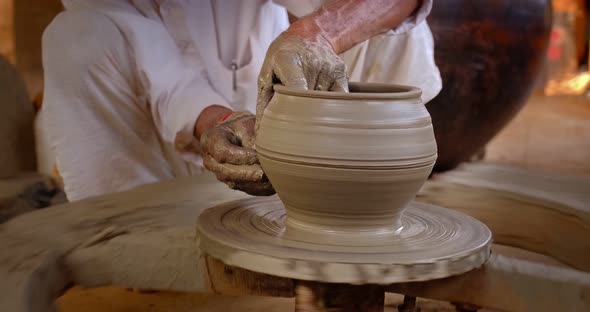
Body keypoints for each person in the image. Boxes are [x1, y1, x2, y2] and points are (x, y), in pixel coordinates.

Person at [41, 0, 441, 201]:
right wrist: (220, 121)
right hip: (164, 161)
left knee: (389, 26)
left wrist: (318, 34)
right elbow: (164, 77)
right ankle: (130, 239)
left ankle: (370, 206)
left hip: (282, 116)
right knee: (75, 38)